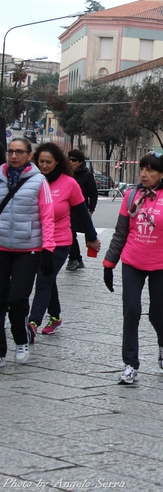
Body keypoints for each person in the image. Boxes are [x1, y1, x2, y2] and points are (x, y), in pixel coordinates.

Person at [102, 152, 163, 384]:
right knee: (131, 312)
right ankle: (130, 364)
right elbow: (121, 232)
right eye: (143, 169)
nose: (144, 174)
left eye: (151, 170)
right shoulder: (131, 195)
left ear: (162, 174)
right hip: (133, 262)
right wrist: (109, 263)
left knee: (157, 315)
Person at [29, 143, 101, 336]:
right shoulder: (31, 181)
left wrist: (92, 238)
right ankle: (55, 316)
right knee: (48, 279)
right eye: (41, 161)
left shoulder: (69, 184)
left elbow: (82, 214)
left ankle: (32, 322)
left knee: (43, 280)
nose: (44, 165)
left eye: (48, 162)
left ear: (57, 162)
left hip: (60, 242)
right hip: (35, 240)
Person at [0, 137, 55, 366]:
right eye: (11, 152)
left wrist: (48, 250)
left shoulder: (39, 181)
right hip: (1, 247)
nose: (14, 156)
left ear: (28, 155)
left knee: (18, 299)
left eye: (19, 152)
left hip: (28, 249)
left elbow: (47, 216)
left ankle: (21, 338)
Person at [66, 149, 98, 271]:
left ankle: (75, 258)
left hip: (80, 210)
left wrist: (91, 210)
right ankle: (75, 258)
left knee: (71, 231)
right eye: (68, 159)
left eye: (73, 160)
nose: (70, 162)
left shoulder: (87, 176)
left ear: (80, 162)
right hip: (67, 209)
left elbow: (93, 195)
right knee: (69, 232)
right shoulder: (66, 174)